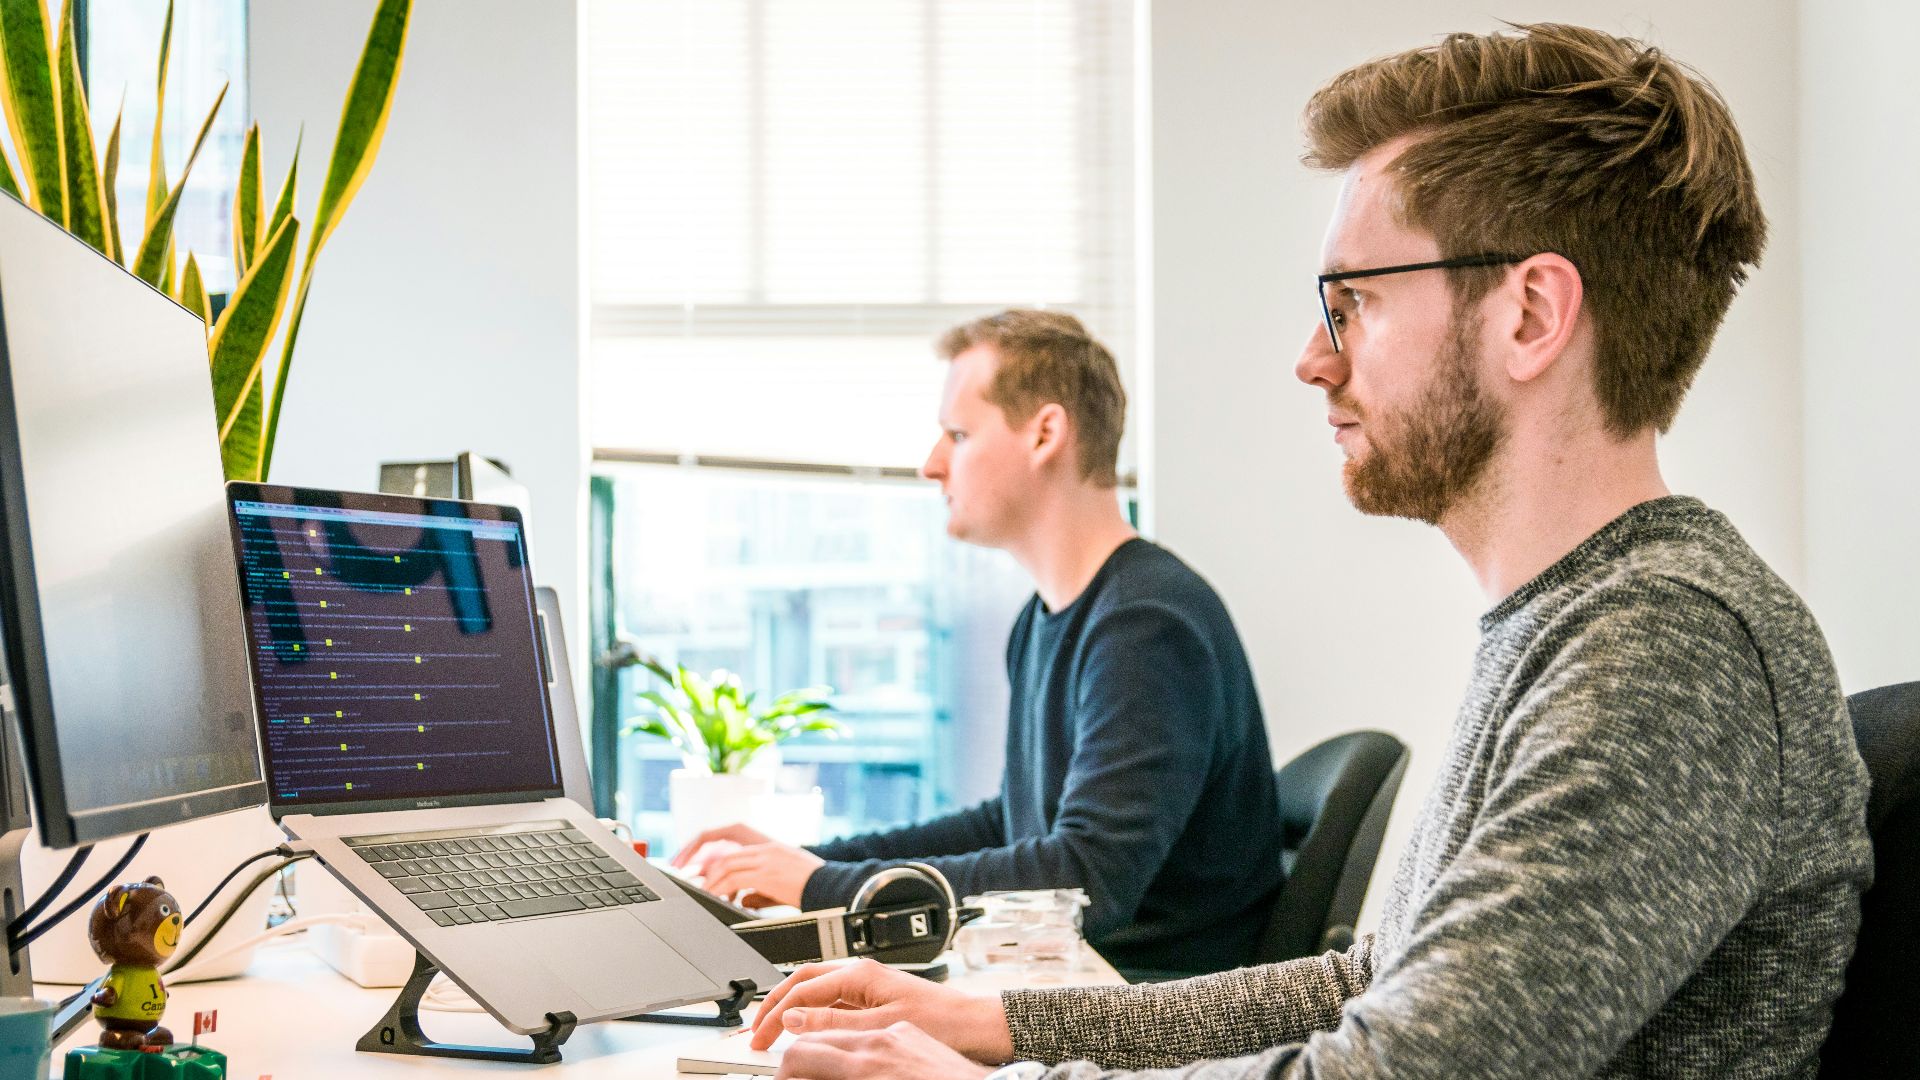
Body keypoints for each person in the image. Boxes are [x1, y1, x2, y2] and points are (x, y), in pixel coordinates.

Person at [742, 23, 1874, 1080]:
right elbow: (1366, 987)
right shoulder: (1577, 622)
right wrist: (996, 1022)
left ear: (1530, 315)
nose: (1313, 359)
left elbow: (1398, 1071)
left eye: (1353, 304)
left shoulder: (1664, 650)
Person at [677, 309, 1287, 978]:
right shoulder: (1048, 618)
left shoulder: (1146, 627)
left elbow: (1085, 882)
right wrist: (813, 863)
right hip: (1072, 982)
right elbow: (1012, 825)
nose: (931, 465)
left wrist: (820, 887)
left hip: (1145, 1010)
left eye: (958, 434)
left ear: (1045, 433)